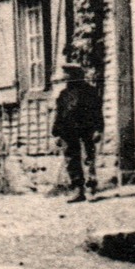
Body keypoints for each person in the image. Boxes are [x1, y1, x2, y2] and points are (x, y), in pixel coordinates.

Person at [52, 60, 103, 203]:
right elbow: (59, 114)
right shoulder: (64, 94)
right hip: (68, 130)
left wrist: (98, 129)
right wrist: (56, 133)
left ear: (75, 75)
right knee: (71, 160)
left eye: (67, 74)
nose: (64, 77)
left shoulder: (90, 92)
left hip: (87, 129)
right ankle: (78, 190)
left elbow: (97, 113)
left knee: (89, 158)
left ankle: (91, 189)